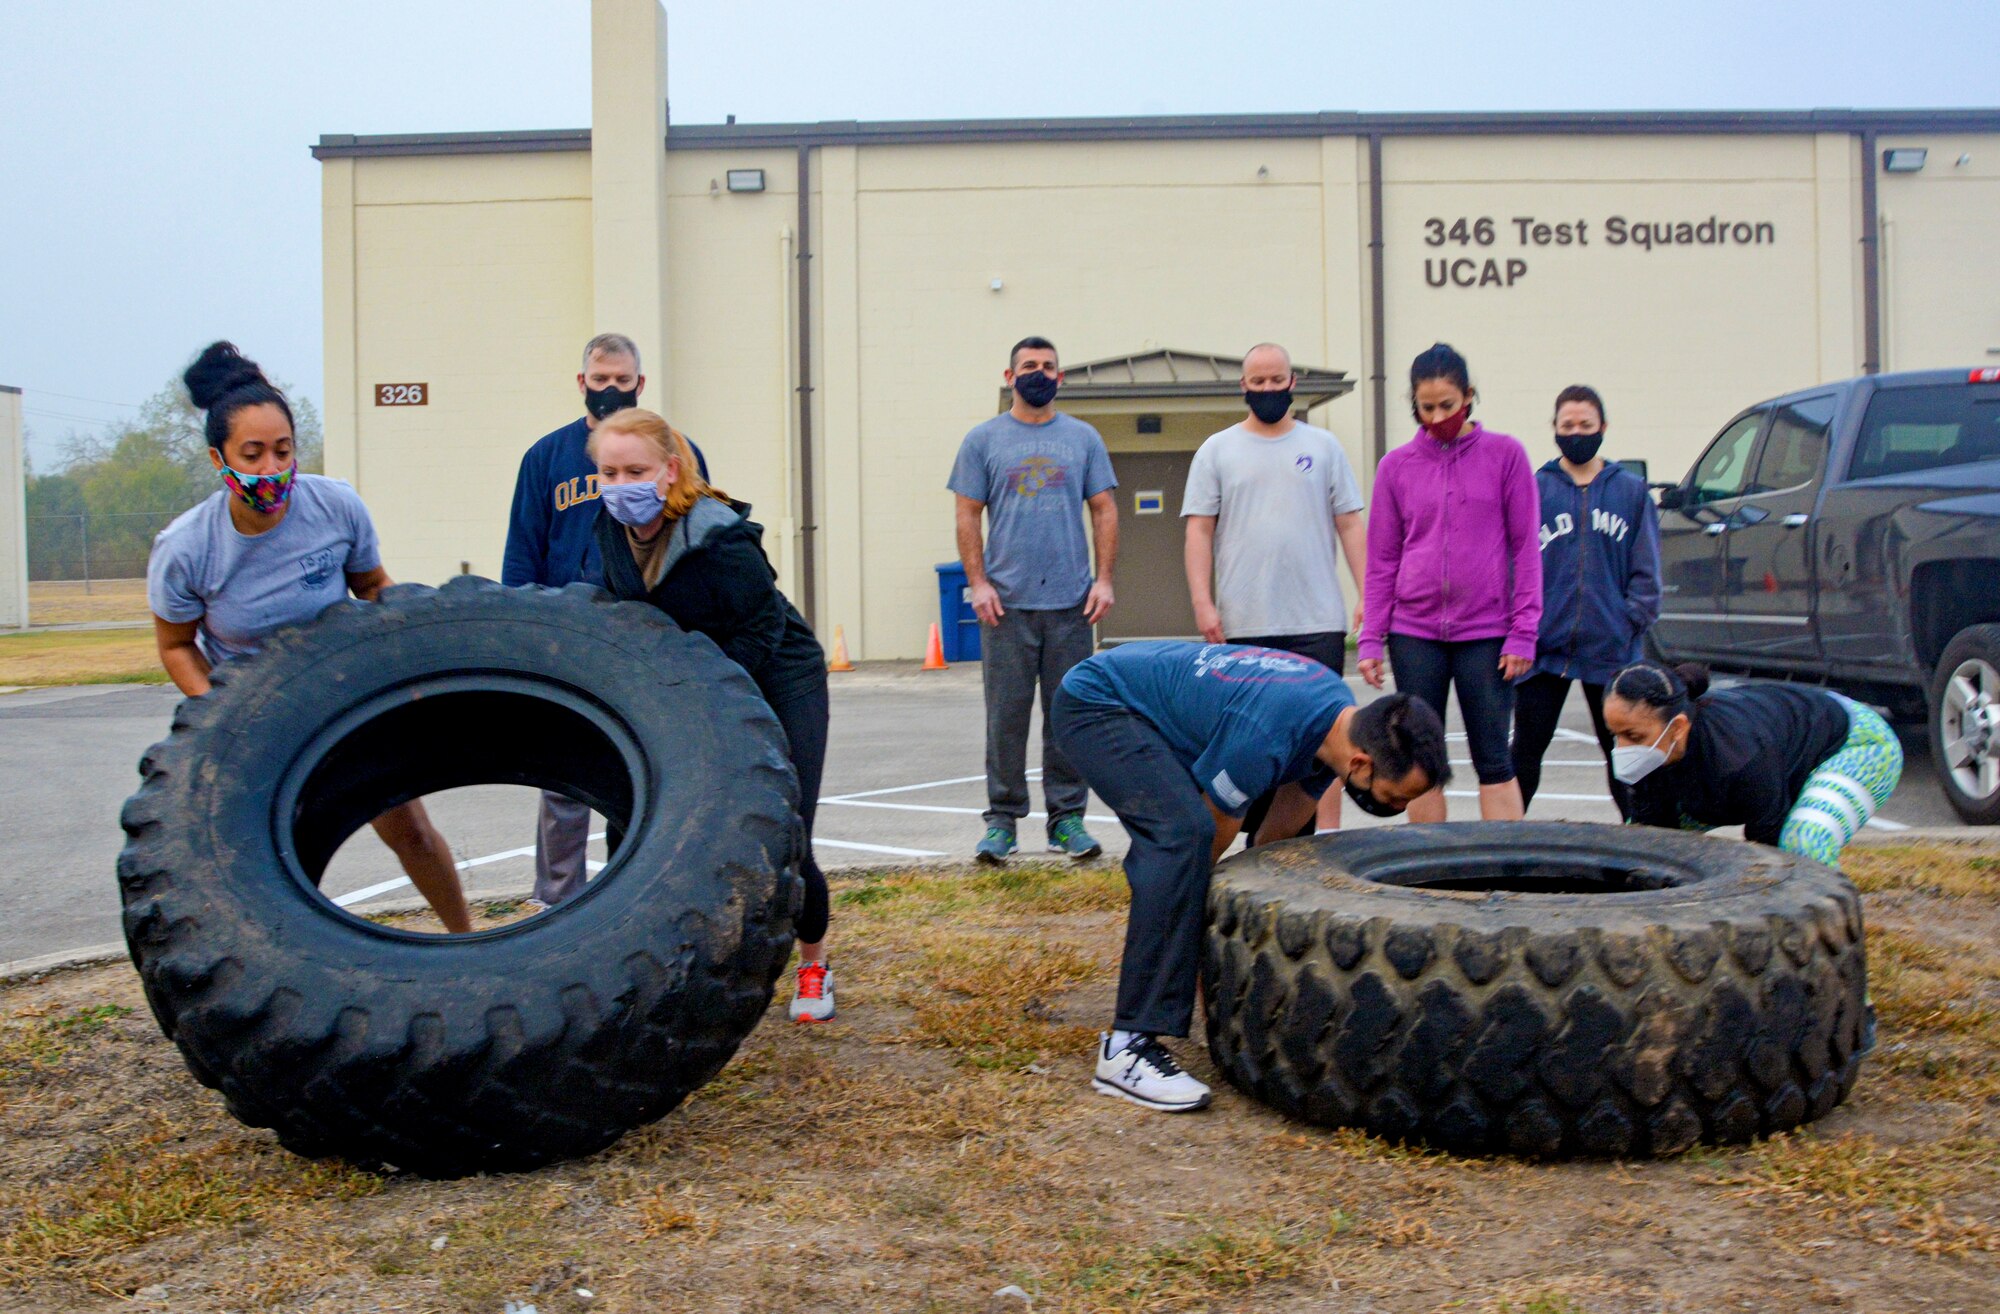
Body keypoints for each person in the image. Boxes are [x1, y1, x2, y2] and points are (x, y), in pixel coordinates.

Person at [148, 342, 473, 933]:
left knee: (411, 831)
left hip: (341, 699)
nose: (271, 468)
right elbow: (175, 645)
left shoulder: (336, 506)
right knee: (275, 865)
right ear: (219, 458)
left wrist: (408, 652)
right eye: (253, 454)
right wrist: (215, 714)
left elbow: (373, 585)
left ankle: (466, 938)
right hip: (256, 719)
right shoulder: (186, 547)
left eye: (283, 450)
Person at [1050, 641, 1449, 1113]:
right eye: (1393, 796)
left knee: (1192, 854)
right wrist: (1194, 938)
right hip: (1097, 703)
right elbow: (1209, 851)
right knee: (1182, 840)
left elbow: (1273, 844)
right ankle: (1127, 1049)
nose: (1396, 809)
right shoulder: (1266, 734)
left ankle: (1150, 990)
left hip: (1156, 709)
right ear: (1361, 764)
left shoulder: (1334, 728)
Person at [586, 409, 837, 1022]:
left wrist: (713, 700)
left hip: (778, 674)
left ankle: (813, 965)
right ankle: (661, 969)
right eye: (609, 472)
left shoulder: (719, 537)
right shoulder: (608, 528)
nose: (622, 485)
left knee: (785, 830)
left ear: (670, 471)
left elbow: (765, 626)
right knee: (639, 828)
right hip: (698, 679)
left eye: (636, 471)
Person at [501, 333, 707, 910]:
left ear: (640, 384)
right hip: (568, 638)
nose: (610, 391)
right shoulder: (545, 458)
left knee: (651, 769)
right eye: (600, 380)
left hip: (648, 636)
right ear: (582, 383)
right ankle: (557, 902)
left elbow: (701, 541)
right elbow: (522, 557)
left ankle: (646, 894)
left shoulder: (678, 453)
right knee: (565, 778)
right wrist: (527, 641)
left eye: (622, 381)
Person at [1183, 341, 1368, 839]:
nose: (1268, 389)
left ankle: (1296, 855)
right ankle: (1246, 857)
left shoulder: (1324, 447)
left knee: (1314, 753)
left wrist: (1366, 594)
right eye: (1258, 382)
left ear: (1292, 384)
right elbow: (1199, 530)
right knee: (1250, 748)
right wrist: (1204, 604)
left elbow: (1350, 524)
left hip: (1316, 625)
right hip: (1245, 626)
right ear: (1243, 386)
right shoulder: (1217, 450)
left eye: (1276, 380)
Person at [948, 336, 1119, 866]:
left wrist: (1104, 579)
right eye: (1029, 366)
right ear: (1009, 375)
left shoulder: (1084, 438)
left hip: (1071, 604)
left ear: (1061, 378)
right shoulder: (983, 440)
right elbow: (966, 514)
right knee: (1006, 718)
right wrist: (979, 583)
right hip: (1007, 606)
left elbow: (1106, 510)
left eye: (1048, 366)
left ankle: (1066, 819)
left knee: (1067, 715)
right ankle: (1001, 822)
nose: (1038, 373)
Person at [1357, 343, 1541, 822]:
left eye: (1448, 405)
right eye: (1427, 407)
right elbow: (1382, 560)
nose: (1438, 416)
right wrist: (1372, 638)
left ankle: (1505, 872)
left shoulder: (1507, 456)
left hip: (1487, 633)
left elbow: (1526, 549)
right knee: (1421, 764)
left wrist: (1523, 630)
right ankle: (1431, 878)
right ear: (1413, 405)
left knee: (1494, 760)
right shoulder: (1395, 467)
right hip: (1414, 633)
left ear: (1469, 396)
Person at [1510, 385, 1661, 819]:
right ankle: (1507, 842)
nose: (1576, 433)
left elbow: (1647, 571)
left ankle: (1641, 839)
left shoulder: (1630, 492)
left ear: (1603, 428)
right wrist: (1523, 626)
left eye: (1586, 425)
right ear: (1554, 429)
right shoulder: (1534, 489)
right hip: (1544, 650)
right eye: (1567, 425)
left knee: (1624, 758)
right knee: (1525, 755)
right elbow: (1512, 564)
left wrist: (1628, 621)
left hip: (1611, 652)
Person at [1605, 662, 1903, 868]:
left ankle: (1833, 938)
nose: (1623, 749)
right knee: (1639, 843)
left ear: (1678, 727)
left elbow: (1769, 850)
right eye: (1616, 735)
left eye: (1633, 736)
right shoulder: (1651, 754)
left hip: (1857, 742)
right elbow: (1656, 836)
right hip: (1777, 744)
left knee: (1803, 843)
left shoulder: (1739, 757)